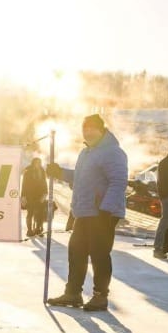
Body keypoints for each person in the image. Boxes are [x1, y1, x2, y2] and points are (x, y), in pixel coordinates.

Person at [46, 114, 128, 312]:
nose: (88, 132)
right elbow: (80, 178)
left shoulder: (112, 152)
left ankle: (100, 296)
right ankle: (73, 293)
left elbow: (118, 182)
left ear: (102, 130)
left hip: (102, 212)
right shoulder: (87, 153)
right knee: (76, 251)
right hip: (85, 211)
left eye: (93, 128)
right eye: (86, 128)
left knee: (99, 254)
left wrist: (106, 211)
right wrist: (60, 172)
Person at [21, 157, 47, 237]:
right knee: (30, 213)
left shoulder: (42, 171)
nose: (38, 164)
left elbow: (44, 182)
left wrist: (45, 193)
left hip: (40, 195)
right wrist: (23, 196)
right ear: (33, 163)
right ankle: (29, 230)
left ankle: (38, 229)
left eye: (39, 162)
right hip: (30, 195)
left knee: (40, 213)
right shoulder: (28, 171)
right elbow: (24, 184)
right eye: (36, 162)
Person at [155, 145, 168, 260]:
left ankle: (165, 248)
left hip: (167, 196)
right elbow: (164, 182)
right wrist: (165, 196)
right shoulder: (165, 163)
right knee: (165, 222)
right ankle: (158, 248)